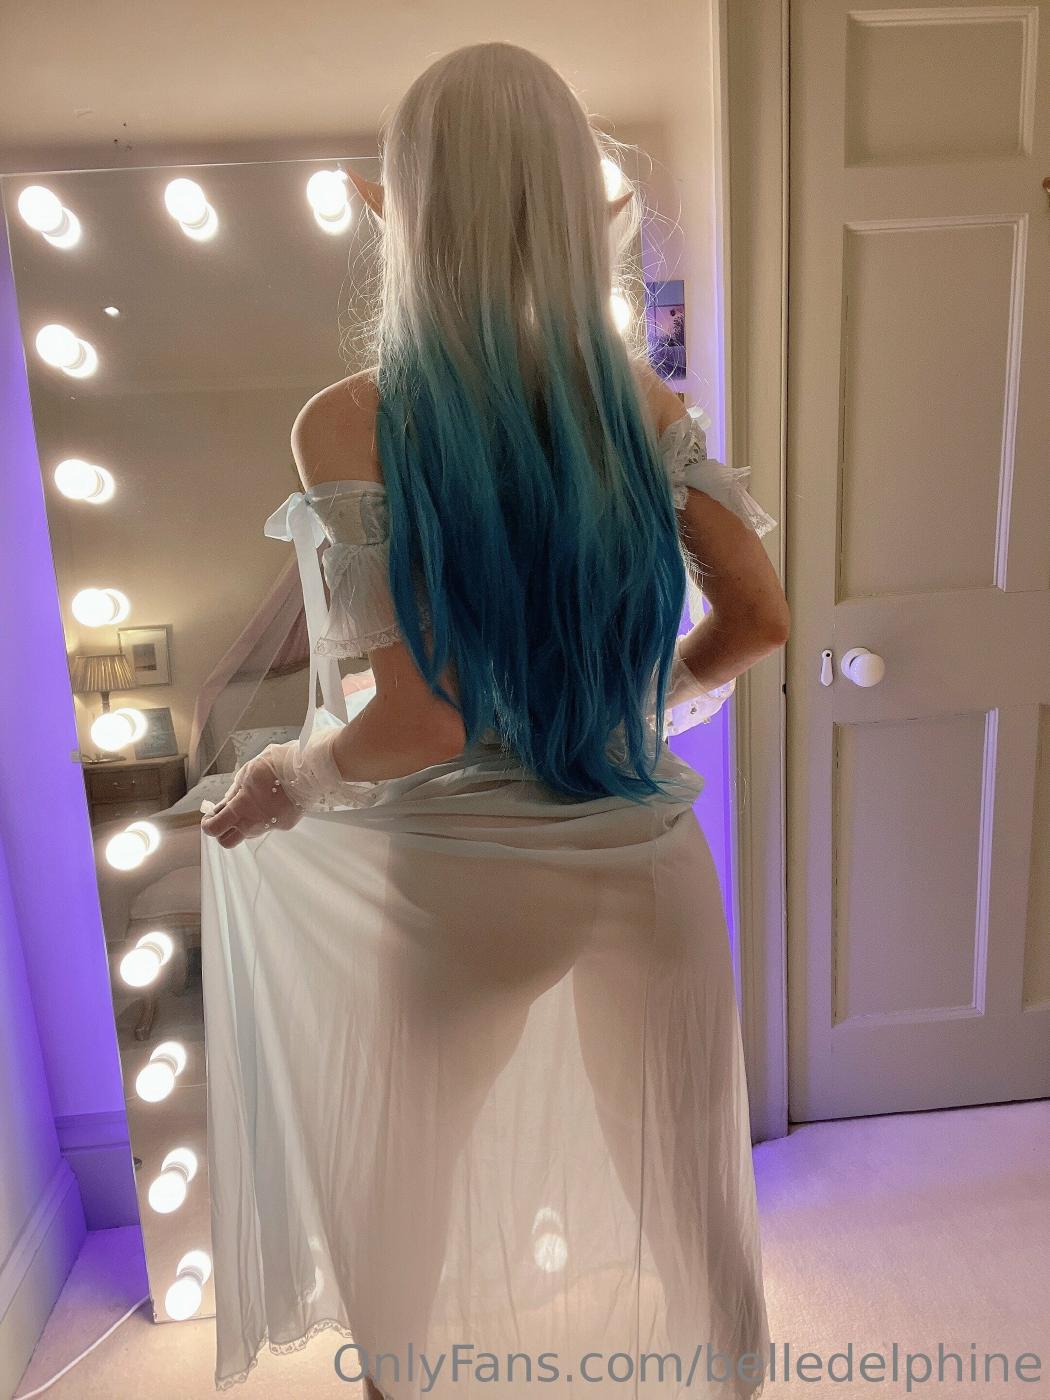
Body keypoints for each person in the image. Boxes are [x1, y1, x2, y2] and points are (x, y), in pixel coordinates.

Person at [200, 40, 788, 1400]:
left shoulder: (356, 420)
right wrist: (623, 703)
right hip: (647, 859)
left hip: (462, 885)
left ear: (401, 205)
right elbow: (758, 619)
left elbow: (423, 720)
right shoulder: (640, 404)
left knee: (400, 1210)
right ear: (575, 203)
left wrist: (292, 773)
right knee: (694, 1200)